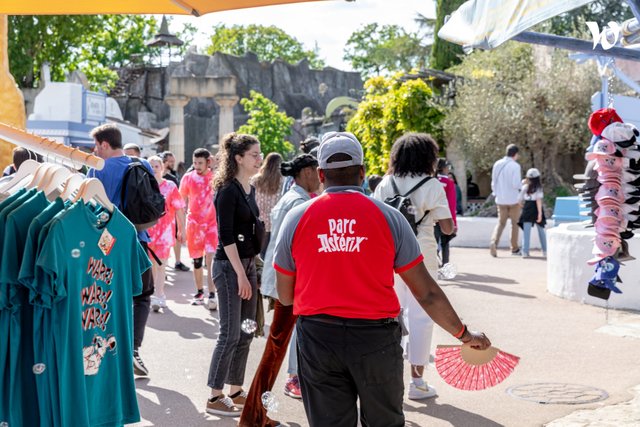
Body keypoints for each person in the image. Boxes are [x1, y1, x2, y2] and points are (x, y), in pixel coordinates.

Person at [274, 132, 491, 427]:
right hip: (376, 341)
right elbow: (426, 293)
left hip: (318, 339)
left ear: (321, 174)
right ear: (362, 172)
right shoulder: (390, 218)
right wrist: (465, 335)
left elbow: (285, 297)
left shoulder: (297, 217)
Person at [239, 154, 320, 427]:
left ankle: (255, 415)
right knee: (274, 353)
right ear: (306, 172)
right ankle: (252, 417)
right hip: (290, 285)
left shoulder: (292, 198)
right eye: (317, 170)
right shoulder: (299, 201)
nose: (320, 177)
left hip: (283, 282)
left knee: (276, 351)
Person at [374, 134, 455, 400]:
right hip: (422, 255)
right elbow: (447, 227)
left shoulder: (386, 183)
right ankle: (417, 383)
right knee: (421, 316)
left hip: (388, 256)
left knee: (390, 314)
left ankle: (389, 380)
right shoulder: (432, 185)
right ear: (427, 157)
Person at [87, 123, 154, 377]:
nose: (95, 150)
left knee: (108, 296)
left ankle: (110, 350)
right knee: (143, 296)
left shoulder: (97, 169)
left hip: (109, 242)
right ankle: (134, 349)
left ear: (105, 144)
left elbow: (89, 206)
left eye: (96, 145)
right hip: (140, 239)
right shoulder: (142, 164)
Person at [206, 133, 262, 417]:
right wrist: (241, 273)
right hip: (230, 266)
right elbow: (225, 235)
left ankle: (235, 389)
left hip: (247, 264)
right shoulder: (227, 190)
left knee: (246, 331)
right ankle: (215, 396)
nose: (259, 159)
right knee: (229, 333)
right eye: (254, 154)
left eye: (259, 153)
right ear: (238, 158)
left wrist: (253, 265)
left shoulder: (248, 188)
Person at [179, 148, 218, 309]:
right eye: (195, 162)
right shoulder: (188, 178)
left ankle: (212, 293)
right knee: (197, 260)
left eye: (200, 163)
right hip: (194, 225)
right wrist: (180, 227)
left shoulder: (215, 177)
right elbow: (180, 203)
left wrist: (215, 165)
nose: (197, 166)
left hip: (211, 225)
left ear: (208, 162)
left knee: (211, 260)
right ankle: (200, 291)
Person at [147, 156, 186, 311]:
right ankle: (152, 295)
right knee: (150, 266)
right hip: (148, 231)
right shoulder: (144, 185)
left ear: (162, 168)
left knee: (161, 264)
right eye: (151, 166)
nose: (154, 169)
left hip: (165, 231)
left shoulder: (170, 186)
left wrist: (182, 229)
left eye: (157, 166)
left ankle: (160, 295)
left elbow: (179, 208)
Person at [489, 144, 522, 257]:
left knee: (501, 223)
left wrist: (496, 193)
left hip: (500, 199)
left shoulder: (497, 164)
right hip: (513, 200)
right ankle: (514, 248)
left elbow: (493, 182)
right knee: (515, 224)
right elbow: (515, 184)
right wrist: (522, 185)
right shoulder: (515, 166)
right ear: (515, 154)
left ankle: (494, 242)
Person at [161, 151, 189, 272]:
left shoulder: (173, 176)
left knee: (176, 237)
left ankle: (177, 261)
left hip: (173, 211)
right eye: (170, 161)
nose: (172, 163)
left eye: (173, 161)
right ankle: (163, 266)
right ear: (164, 162)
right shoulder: (157, 177)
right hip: (161, 215)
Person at [251, 152, 283, 258]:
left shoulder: (256, 179)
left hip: (259, 220)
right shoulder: (282, 181)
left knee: (260, 252)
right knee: (273, 253)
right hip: (276, 221)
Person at [518, 168, 547, 258]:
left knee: (526, 231)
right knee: (541, 231)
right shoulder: (538, 188)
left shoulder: (525, 187)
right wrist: (539, 214)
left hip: (527, 207)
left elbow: (519, 200)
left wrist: (524, 207)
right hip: (536, 208)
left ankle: (525, 252)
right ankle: (545, 251)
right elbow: (538, 200)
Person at [434, 159, 458, 266]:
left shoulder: (433, 181)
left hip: (432, 217)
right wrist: (454, 222)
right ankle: (445, 265)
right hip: (444, 216)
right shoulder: (449, 183)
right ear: (444, 168)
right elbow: (451, 204)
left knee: (433, 243)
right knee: (445, 243)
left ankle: (433, 264)